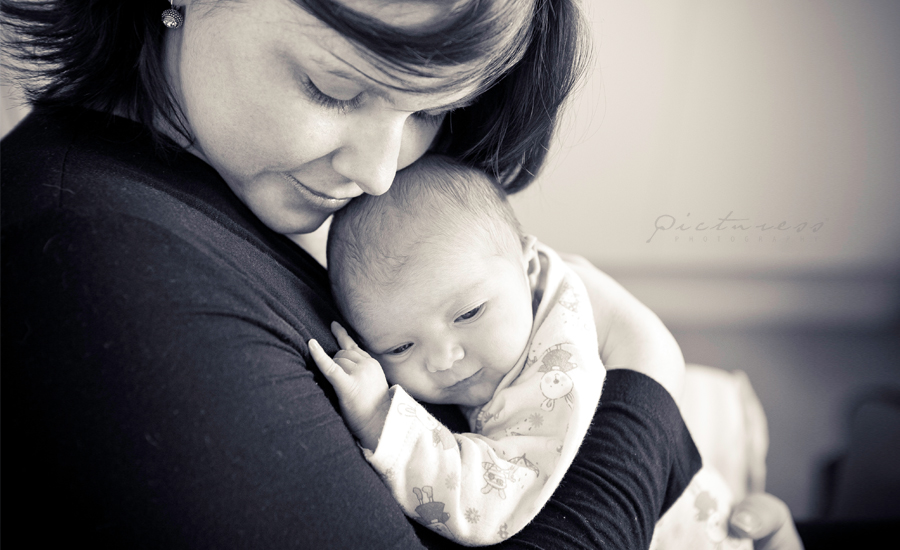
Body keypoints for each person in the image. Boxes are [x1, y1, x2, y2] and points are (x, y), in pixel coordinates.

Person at [0, 0, 801, 548]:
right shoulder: (95, 267)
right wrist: (646, 380)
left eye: (424, 110)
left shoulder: (222, 186)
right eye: (334, 88)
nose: (380, 173)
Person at [309, 155, 751, 548]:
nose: (443, 358)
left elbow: (489, 501)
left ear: (530, 266)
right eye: (400, 346)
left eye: (469, 313)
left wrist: (379, 419)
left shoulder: (552, 381)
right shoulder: (528, 289)